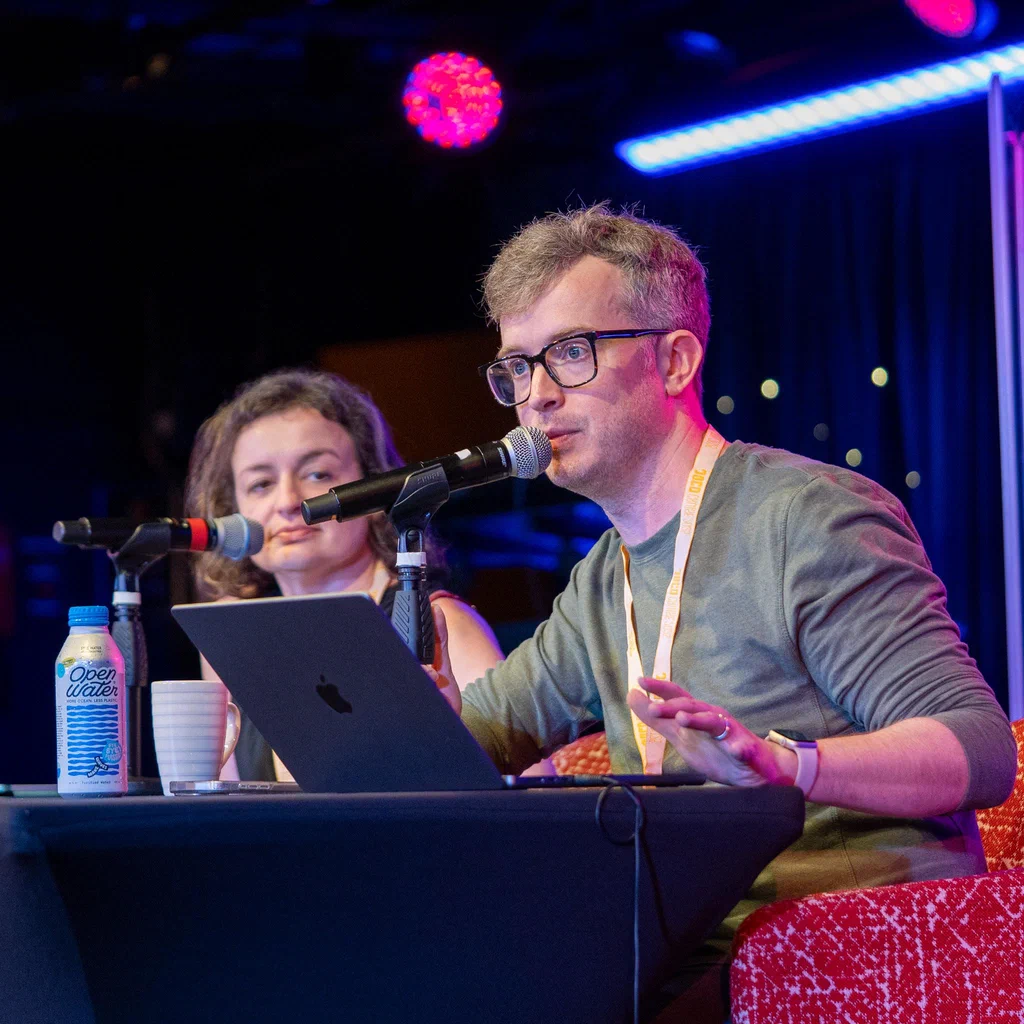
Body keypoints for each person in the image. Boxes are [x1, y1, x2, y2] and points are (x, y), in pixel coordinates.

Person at [424, 204, 1017, 1022]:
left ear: (674, 360)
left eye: (570, 353)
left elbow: (982, 751)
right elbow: (476, 736)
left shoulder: (805, 517)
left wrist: (787, 766)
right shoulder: (604, 579)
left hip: (842, 955)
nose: (537, 397)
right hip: (685, 955)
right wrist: (403, 723)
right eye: (517, 367)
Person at [185, 367, 505, 781]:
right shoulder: (231, 639)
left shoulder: (444, 625)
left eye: (318, 474)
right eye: (260, 484)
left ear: (372, 485)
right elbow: (228, 814)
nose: (287, 501)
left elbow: (530, 803)